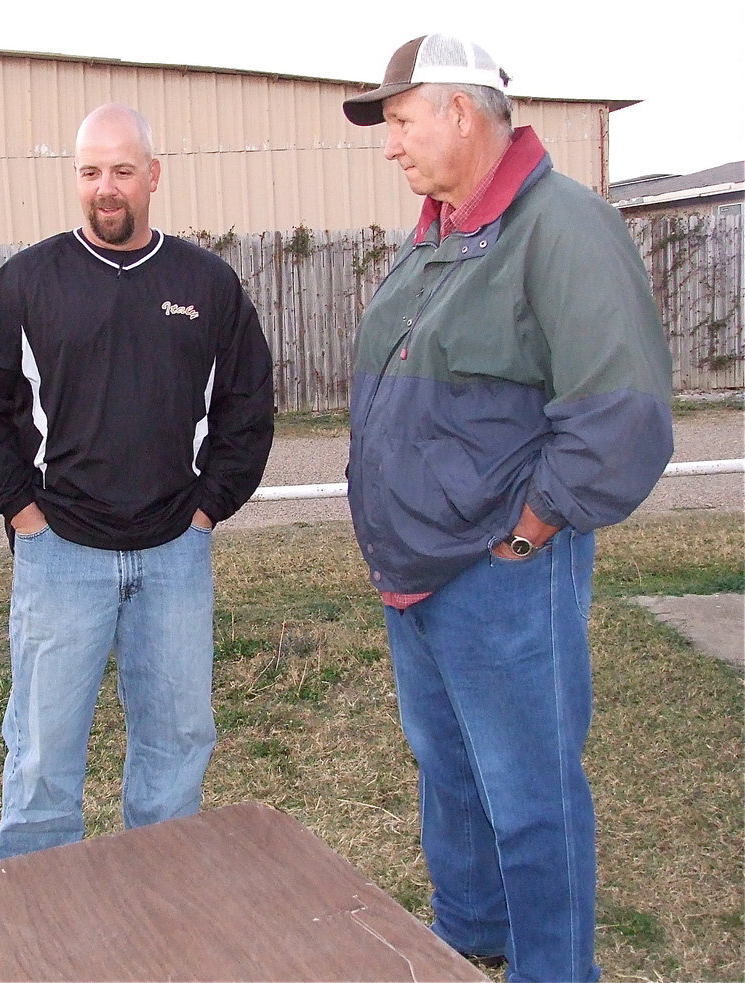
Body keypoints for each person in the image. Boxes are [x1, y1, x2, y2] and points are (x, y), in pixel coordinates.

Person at [340, 35, 672, 982]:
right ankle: (471, 935)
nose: (392, 144)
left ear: (460, 110)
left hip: (502, 575)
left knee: (530, 794)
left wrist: (530, 535)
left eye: (401, 121)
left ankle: (552, 967)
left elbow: (624, 417)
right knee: (449, 775)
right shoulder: (438, 236)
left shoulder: (561, 226)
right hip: (419, 576)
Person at [0, 103, 274, 860]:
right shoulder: (29, 282)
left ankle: (157, 904)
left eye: (122, 171)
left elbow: (248, 405)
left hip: (174, 556)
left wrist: (208, 509)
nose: (106, 188)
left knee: (177, 742)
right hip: (61, 553)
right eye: (90, 171)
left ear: (153, 176)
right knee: (42, 752)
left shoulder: (207, 283)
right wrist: (23, 513)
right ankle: (35, 915)